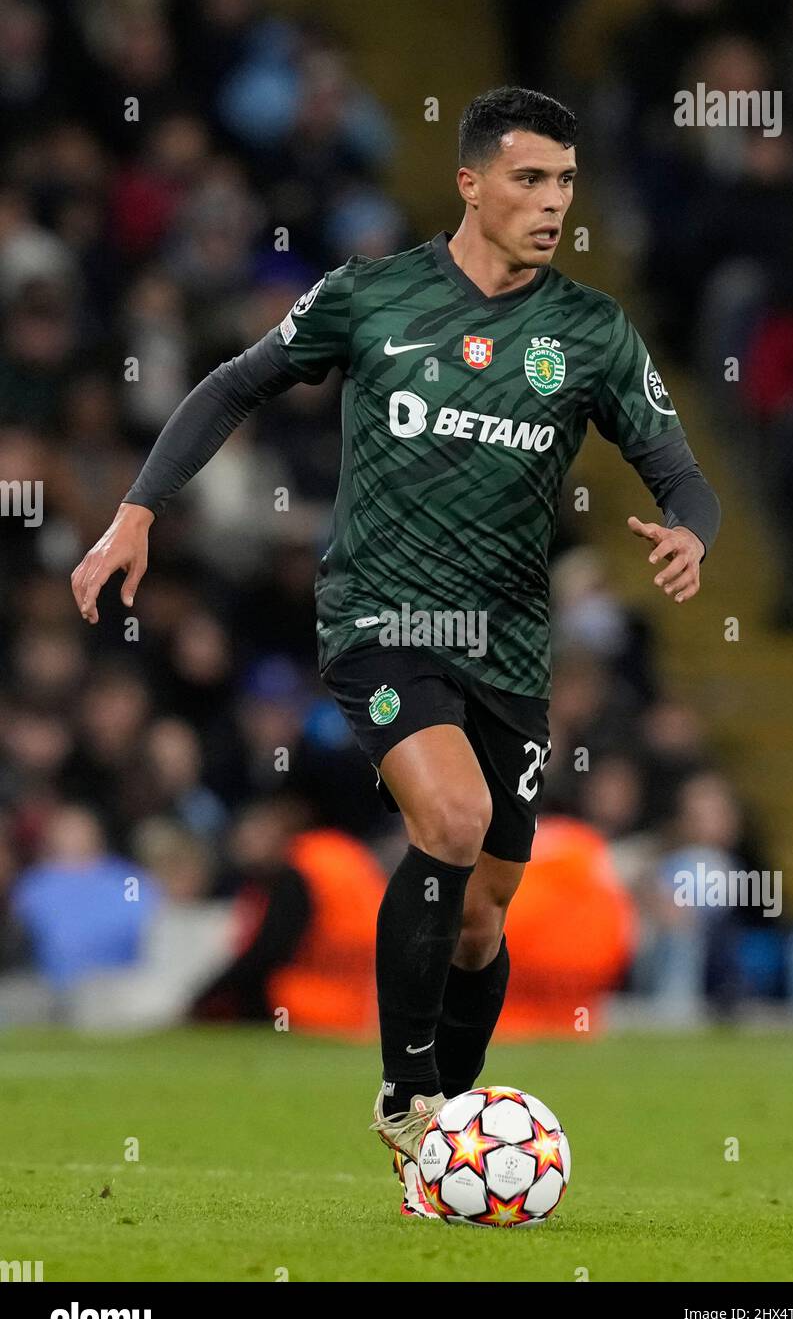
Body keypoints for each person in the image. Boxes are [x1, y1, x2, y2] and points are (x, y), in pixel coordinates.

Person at [70, 86, 721, 1217]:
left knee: (481, 916)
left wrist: (690, 535)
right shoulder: (372, 297)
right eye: (528, 179)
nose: (551, 203)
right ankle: (404, 1091)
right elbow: (233, 383)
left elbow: (682, 475)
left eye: (564, 183)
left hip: (509, 648)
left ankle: (448, 1141)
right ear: (470, 182)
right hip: (382, 619)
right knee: (452, 823)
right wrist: (138, 509)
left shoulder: (588, 333)